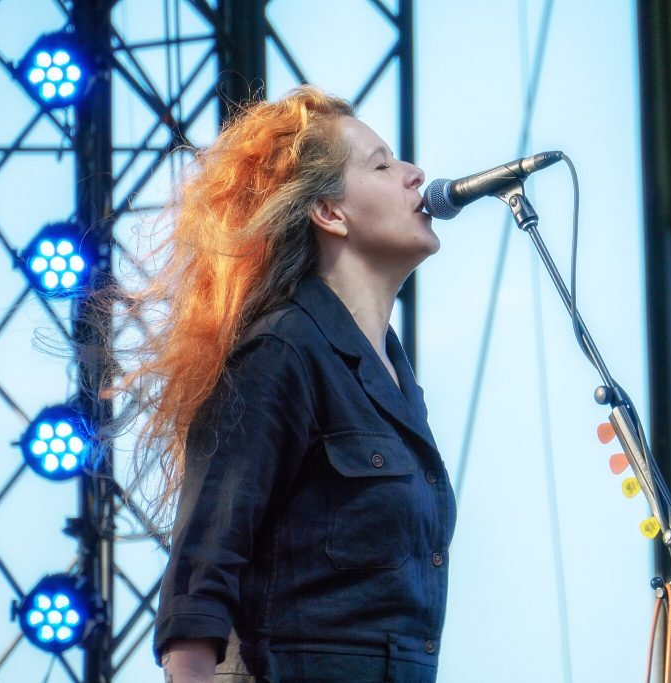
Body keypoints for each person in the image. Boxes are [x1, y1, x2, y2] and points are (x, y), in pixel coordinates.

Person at [111, 85, 455, 682]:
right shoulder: (282, 351)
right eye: (382, 164)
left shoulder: (397, 377)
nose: (414, 174)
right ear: (329, 213)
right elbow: (200, 581)